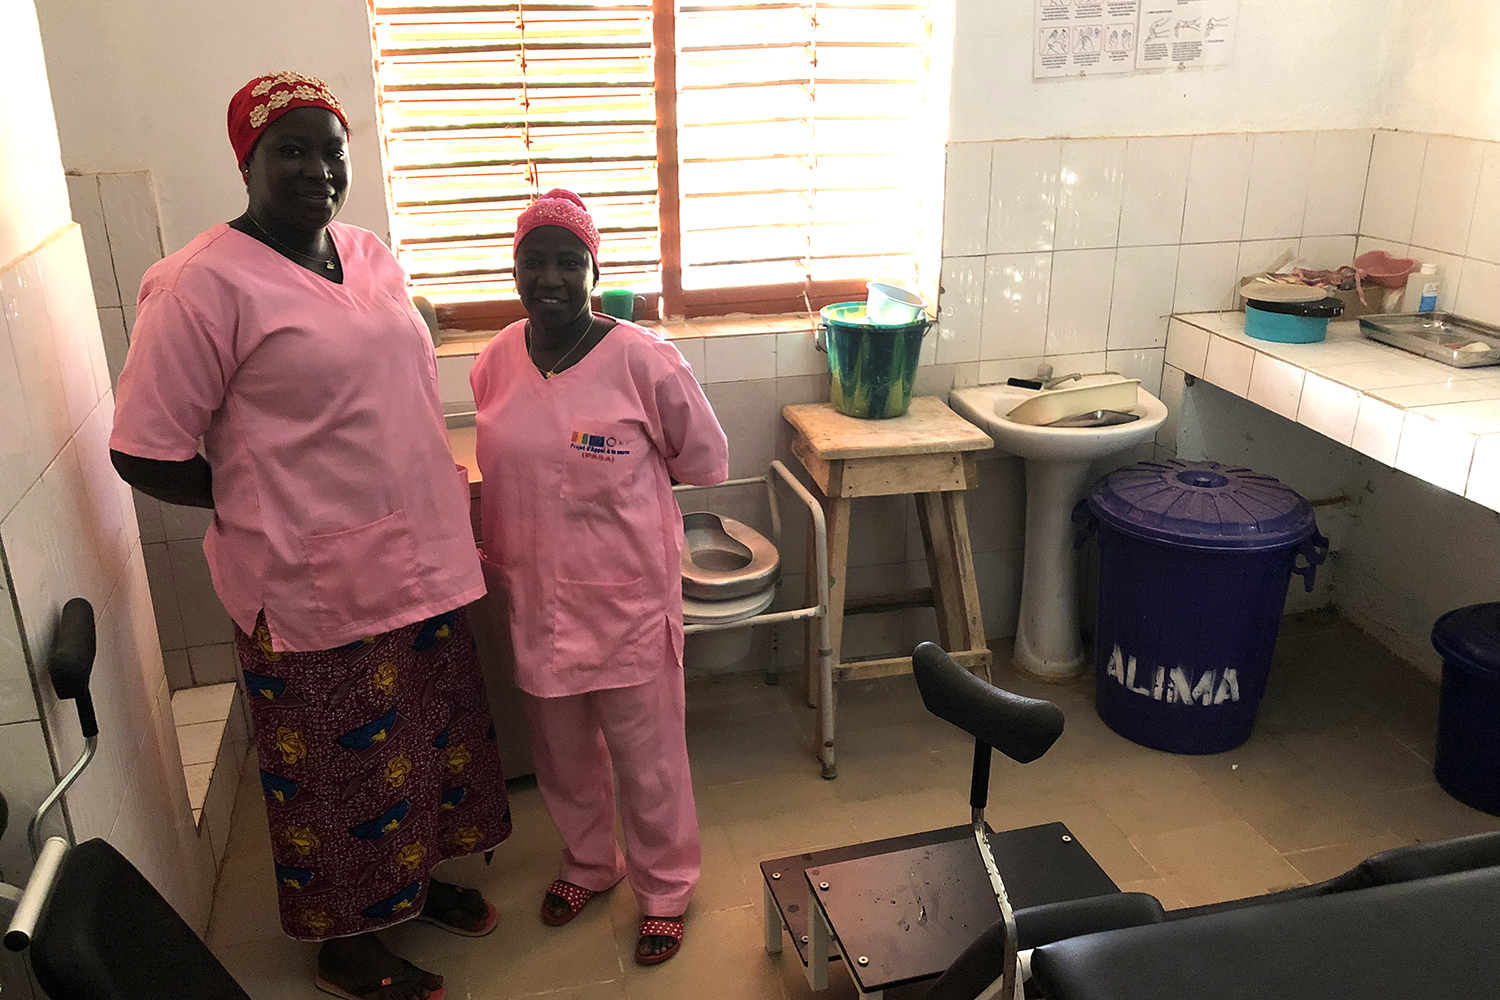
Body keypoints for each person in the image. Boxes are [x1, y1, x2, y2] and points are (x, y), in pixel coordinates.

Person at [109, 71, 510, 1000]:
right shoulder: (201, 284)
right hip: (309, 586)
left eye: (333, 148)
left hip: (419, 555)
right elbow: (143, 452)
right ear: (247, 159)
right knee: (344, 771)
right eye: (292, 148)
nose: (319, 168)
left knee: (425, 735)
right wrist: (261, 499)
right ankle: (349, 946)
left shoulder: (367, 252)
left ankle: (417, 883)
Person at [469, 189, 728, 966]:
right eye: (533, 261)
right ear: (514, 270)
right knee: (561, 752)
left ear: (593, 270)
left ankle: (666, 888)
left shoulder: (642, 360)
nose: (549, 278)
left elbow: (703, 459)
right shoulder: (492, 363)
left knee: (648, 757)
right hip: (534, 599)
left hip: (625, 600)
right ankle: (589, 862)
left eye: (567, 261)